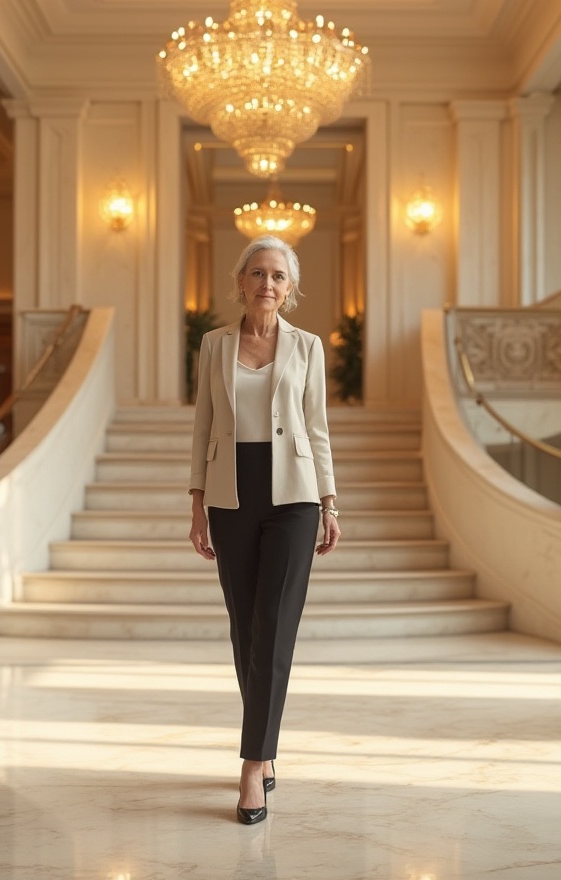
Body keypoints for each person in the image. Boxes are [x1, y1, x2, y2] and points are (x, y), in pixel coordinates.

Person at [188, 235, 342, 825]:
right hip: (232, 491)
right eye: (257, 273)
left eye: (278, 275)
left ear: (290, 287)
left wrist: (329, 502)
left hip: (295, 495)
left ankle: (254, 763)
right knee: (244, 623)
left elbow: (318, 427)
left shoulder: (308, 347)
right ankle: (267, 738)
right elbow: (202, 425)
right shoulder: (214, 346)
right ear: (241, 282)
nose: (267, 284)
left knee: (275, 625)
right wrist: (197, 502)